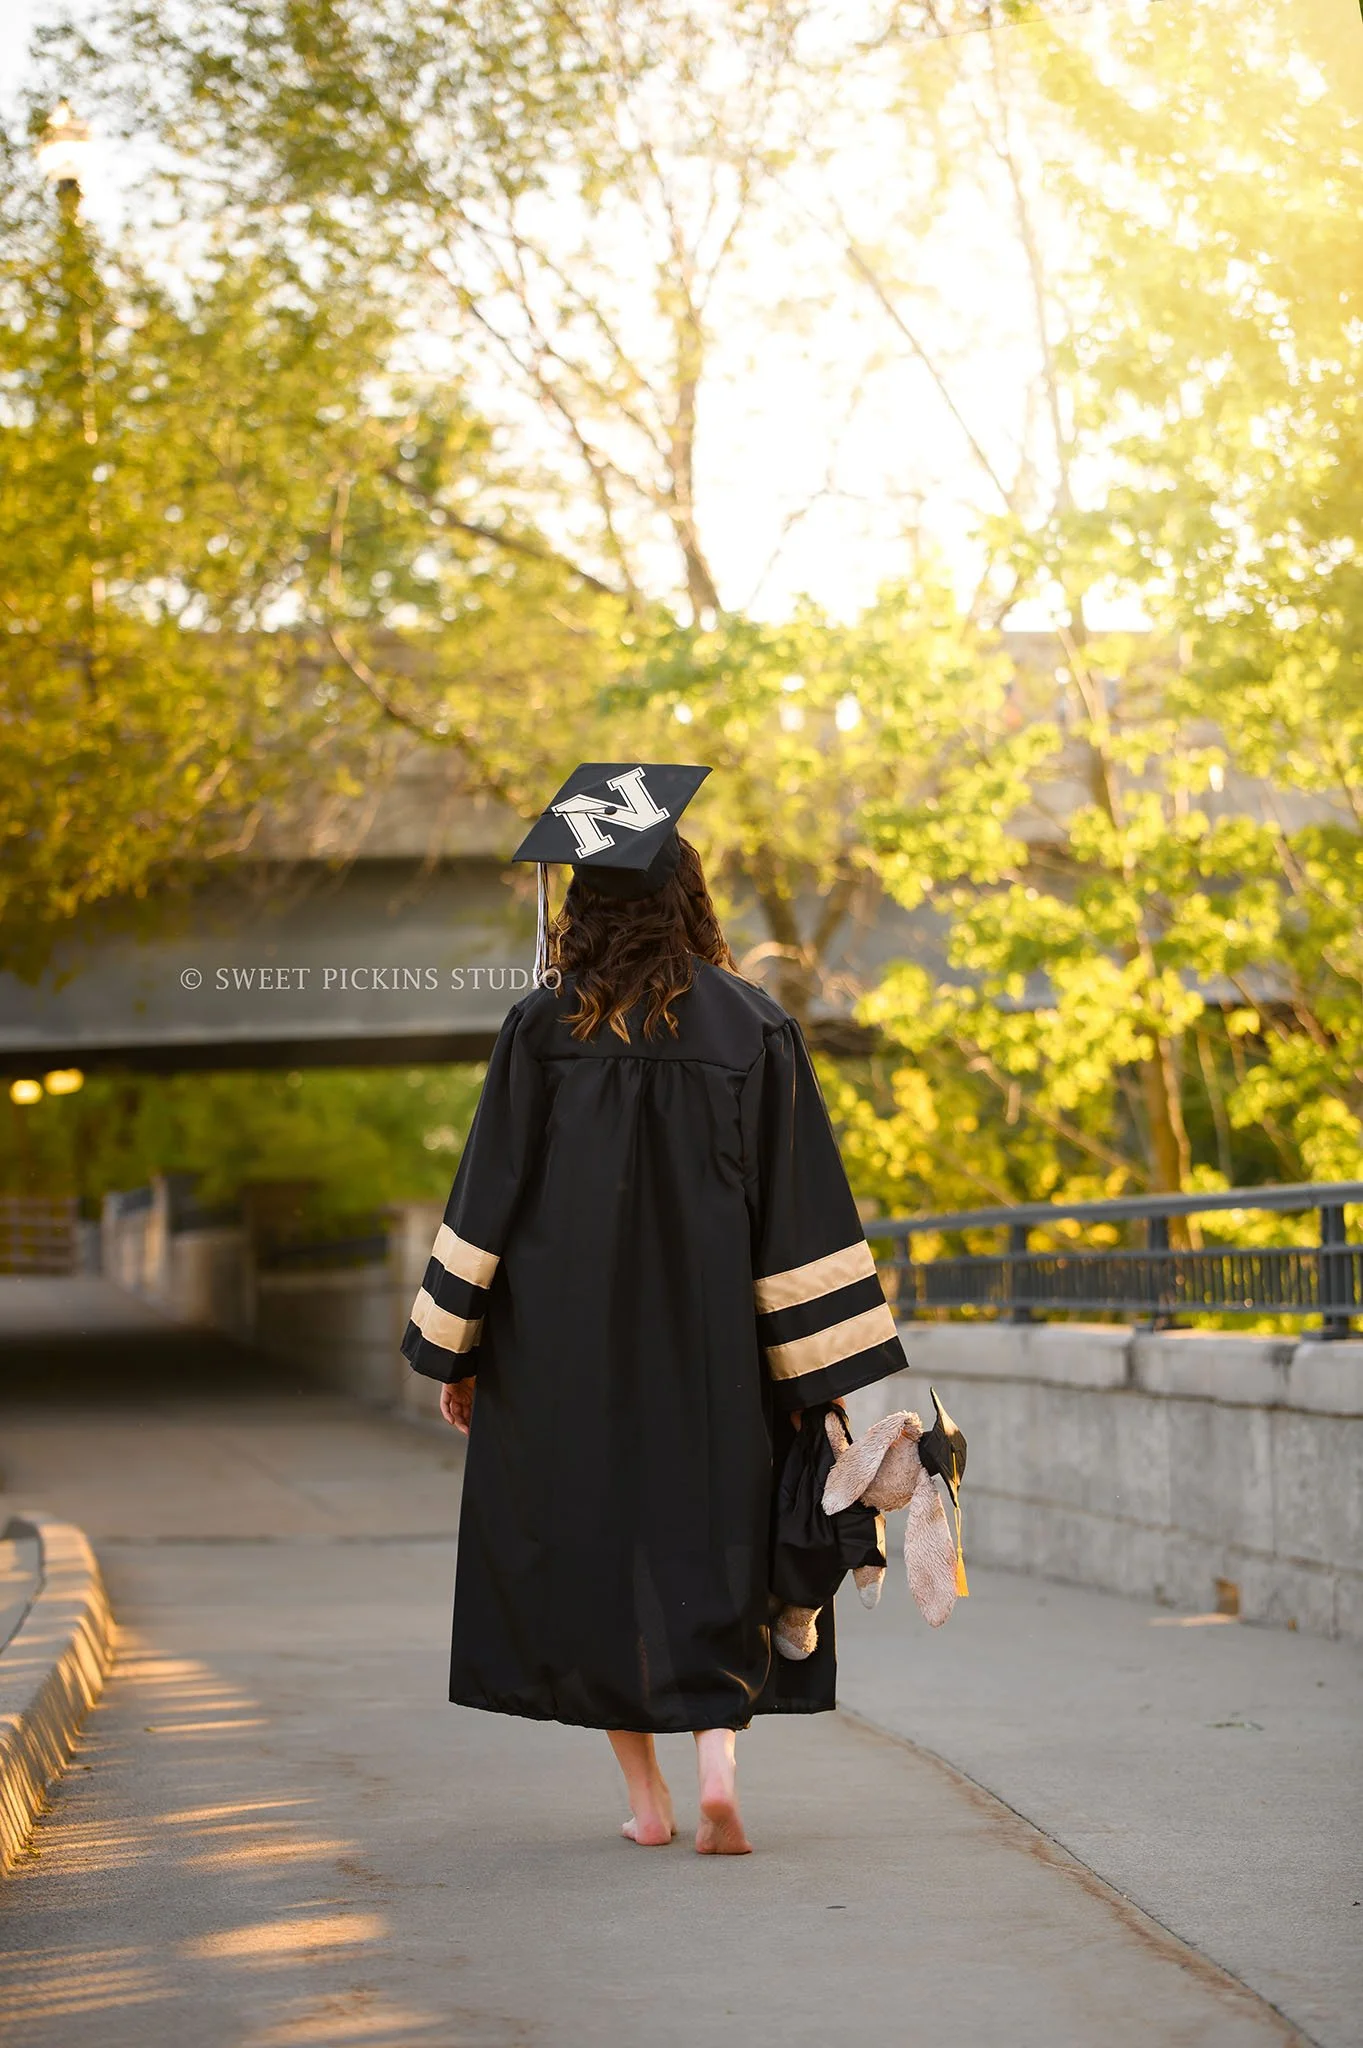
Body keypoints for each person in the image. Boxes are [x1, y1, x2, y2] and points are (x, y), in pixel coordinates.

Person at [403, 762, 907, 1855]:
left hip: (559, 1355)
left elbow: (485, 1199)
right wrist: (813, 1381)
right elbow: (797, 1212)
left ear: (581, 907)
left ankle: (647, 1803)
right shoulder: (752, 1027)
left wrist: (457, 1348)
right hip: (714, 1354)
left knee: (591, 1558)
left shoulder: (539, 1027)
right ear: (690, 899)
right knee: (710, 1546)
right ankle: (718, 1765)